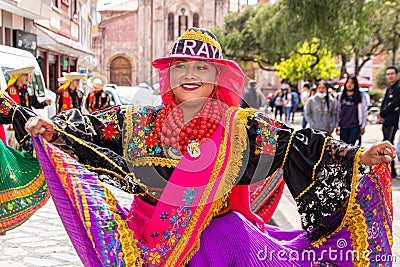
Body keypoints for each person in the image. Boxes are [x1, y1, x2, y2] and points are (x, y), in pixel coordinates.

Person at [4, 27, 392, 266]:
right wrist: (51, 129)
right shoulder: (141, 121)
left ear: (218, 76)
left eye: (201, 67)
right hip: (146, 240)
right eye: (180, 66)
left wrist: (359, 155)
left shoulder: (241, 126)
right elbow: (91, 129)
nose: (189, 74)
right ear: (169, 75)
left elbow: (298, 144)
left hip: (224, 244)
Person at [5, 66, 51, 149]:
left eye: (28, 75)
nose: (28, 77)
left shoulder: (30, 90)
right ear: (18, 77)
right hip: (15, 127)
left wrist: (45, 103)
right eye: (25, 75)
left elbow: (35, 104)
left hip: (29, 124)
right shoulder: (8, 91)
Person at [379, 66, 400, 179]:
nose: (390, 76)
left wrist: (383, 113)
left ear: (397, 74)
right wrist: (382, 113)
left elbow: (394, 104)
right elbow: (386, 104)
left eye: (392, 73)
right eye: (388, 74)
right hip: (387, 121)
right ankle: (388, 169)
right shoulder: (390, 88)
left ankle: (391, 171)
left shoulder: (398, 88)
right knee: (386, 145)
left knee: (390, 146)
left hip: (394, 121)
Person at [335, 76, 369, 145]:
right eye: (348, 82)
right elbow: (337, 111)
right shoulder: (340, 96)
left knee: (351, 144)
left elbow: (364, 111)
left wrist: (363, 126)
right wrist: (336, 125)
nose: (349, 84)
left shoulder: (361, 96)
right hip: (343, 125)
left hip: (355, 125)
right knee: (343, 145)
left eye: (352, 83)